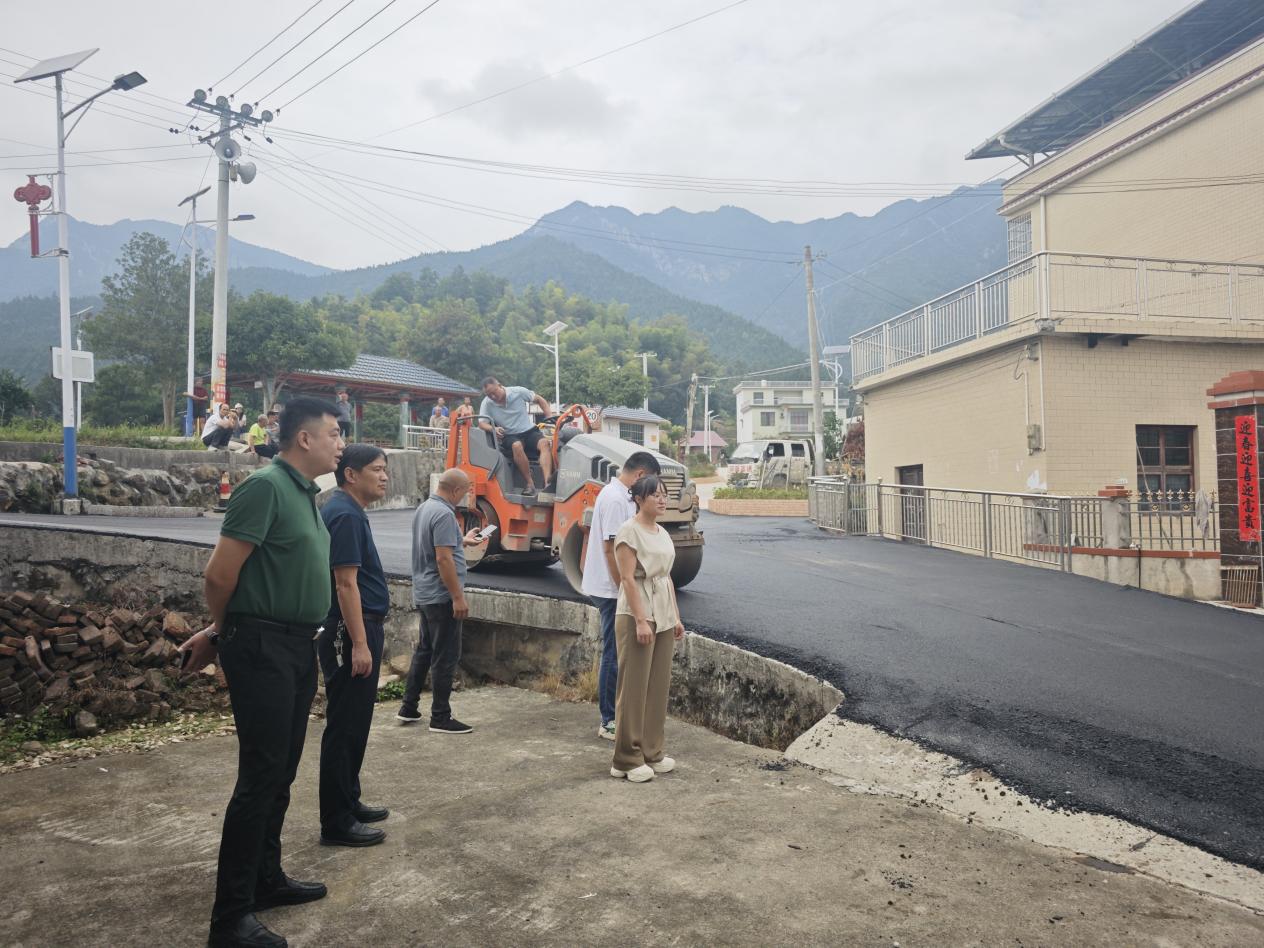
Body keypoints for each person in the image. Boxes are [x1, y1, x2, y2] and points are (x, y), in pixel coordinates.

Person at [178, 396, 345, 948]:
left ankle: (266, 879)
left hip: (297, 646)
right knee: (259, 778)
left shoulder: (305, 495)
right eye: (335, 433)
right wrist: (224, 634)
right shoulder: (265, 487)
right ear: (304, 439)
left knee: (282, 771)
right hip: (263, 647)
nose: (340, 443)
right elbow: (220, 577)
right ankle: (230, 919)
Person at [318, 445, 392, 849]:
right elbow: (345, 583)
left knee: (354, 723)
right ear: (350, 474)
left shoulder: (347, 510)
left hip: (358, 627)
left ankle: (349, 800)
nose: (383, 477)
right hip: (352, 631)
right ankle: (337, 820)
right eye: (376, 470)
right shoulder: (344, 514)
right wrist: (360, 643)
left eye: (385, 470)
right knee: (345, 726)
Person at [396, 468, 488, 733]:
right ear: (456, 491)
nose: (466, 496)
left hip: (425, 592)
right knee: (445, 655)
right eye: (466, 491)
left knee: (425, 650)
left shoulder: (425, 509)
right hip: (442, 595)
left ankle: (408, 706)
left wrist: (463, 541)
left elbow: (439, 545)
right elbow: (443, 558)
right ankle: (440, 717)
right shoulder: (445, 514)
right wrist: (457, 597)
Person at [581, 451, 661, 741]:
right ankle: (608, 720)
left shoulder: (617, 495)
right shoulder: (616, 499)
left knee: (619, 653)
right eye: (651, 483)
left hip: (613, 587)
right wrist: (624, 590)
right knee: (615, 654)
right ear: (640, 475)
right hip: (612, 589)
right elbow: (611, 550)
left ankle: (617, 713)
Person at [610, 475, 685, 783]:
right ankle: (626, 758)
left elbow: (666, 577)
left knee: (657, 685)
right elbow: (627, 579)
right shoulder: (629, 531)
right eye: (655, 495)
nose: (662, 500)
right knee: (634, 686)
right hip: (637, 611)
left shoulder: (661, 531)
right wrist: (641, 620)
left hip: (664, 611)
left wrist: (676, 617)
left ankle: (652, 751)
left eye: (664, 495)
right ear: (639, 499)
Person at [477, 377, 554, 496]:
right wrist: (494, 428)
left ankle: (548, 483)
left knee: (544, 443)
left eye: (494, 392)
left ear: (500, 385)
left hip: (528, 431)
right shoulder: (487, 403)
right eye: (489, 395)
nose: (492, 397)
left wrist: (549, 417)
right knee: (516, 446)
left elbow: (539, 399)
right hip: (510, 435)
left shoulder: (518, 392)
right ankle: (530, 484)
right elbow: (482, 423)